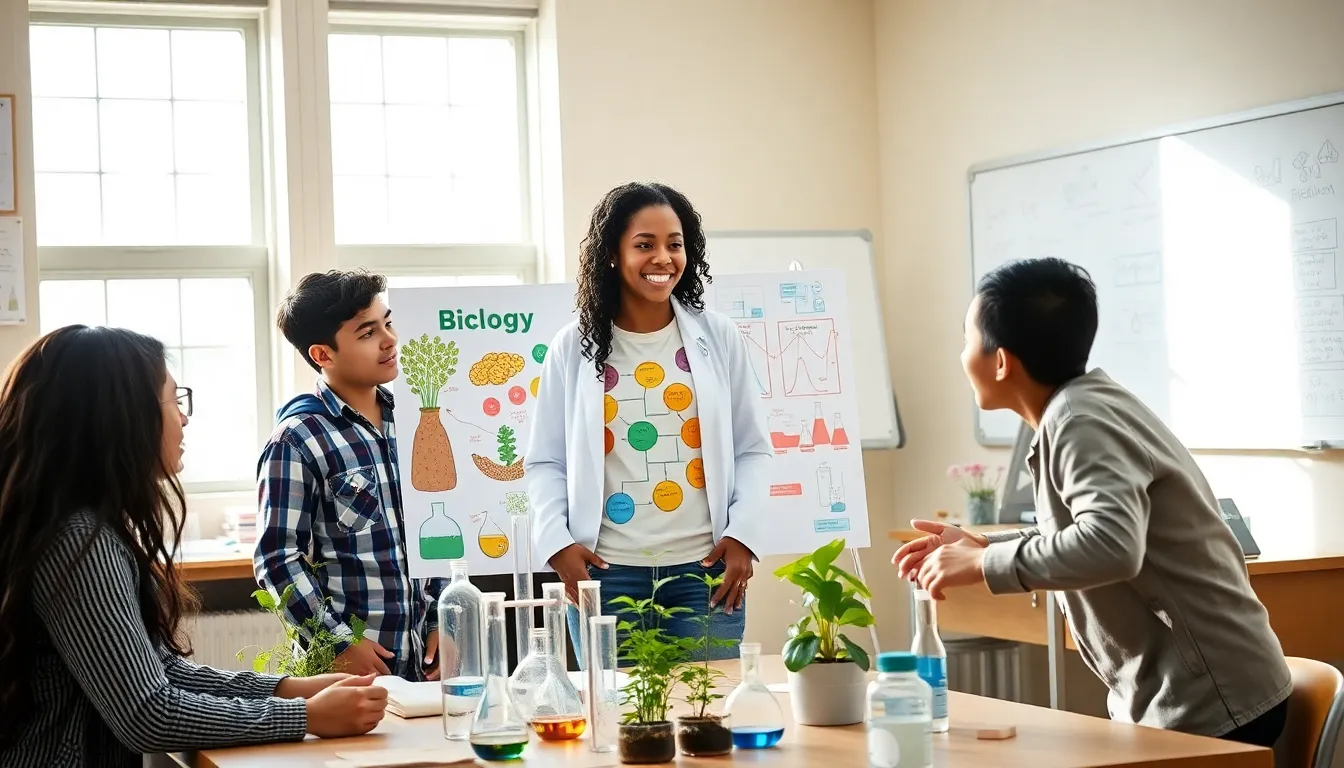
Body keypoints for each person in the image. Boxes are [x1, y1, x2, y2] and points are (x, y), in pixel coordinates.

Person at [894, 257, 1291, 746]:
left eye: (966, 340)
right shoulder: (1082, 407)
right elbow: (1084, 530)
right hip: (1193, 699)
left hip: (1215, 703)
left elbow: (1111, 545)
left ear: (1000, 361)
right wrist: (983, 544)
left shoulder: (1080, 421)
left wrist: (984, 563)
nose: (961, 356)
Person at [0, 326, 387, 767]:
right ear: (123, 418)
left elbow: (162, 670)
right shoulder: (80, 542)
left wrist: (288, 690)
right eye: (173, 400)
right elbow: (147, 713)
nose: (183, 419)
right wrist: (305, 716)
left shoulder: (74, 526)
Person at [527, 181, 771, 661]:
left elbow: (752, 449)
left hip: (704, 573)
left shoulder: (718, 337)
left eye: (674, 245)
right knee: (615, 708)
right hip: (606, 574)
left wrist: (744, 535)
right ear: (612, 254)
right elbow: (545, 460)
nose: (663, 258)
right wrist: (556, 544)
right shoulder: (573, 346)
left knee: (705, 706)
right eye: (644, 245)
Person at [256, 269, 444, 681]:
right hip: (351, 675)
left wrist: (443, 622)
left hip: (431, 670)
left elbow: (438, 532)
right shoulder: (296, 440)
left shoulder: (416, 421)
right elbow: (276, 559)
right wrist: (338, 643)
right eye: (367, 333)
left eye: (388, 323)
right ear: (322, 354)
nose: (390, 340)